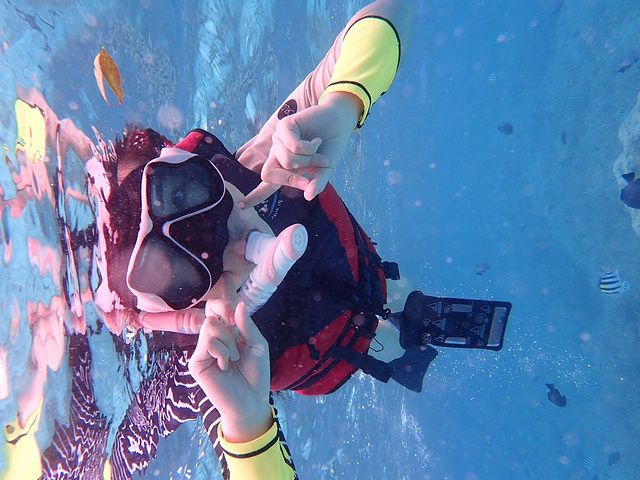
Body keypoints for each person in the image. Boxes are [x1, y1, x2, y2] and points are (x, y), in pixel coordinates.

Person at [16, 1, 510, 477]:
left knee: (395, 303)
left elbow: (391, 12)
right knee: (105, 451)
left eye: (184, 193)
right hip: (334, 357)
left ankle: (397, 313)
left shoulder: (263, 161)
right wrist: (249, 425)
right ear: (176, 306)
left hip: (364, 274)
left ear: (197, 165)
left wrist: (343, 105)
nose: (226, 235)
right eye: (181, 269)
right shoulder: (210, 364)